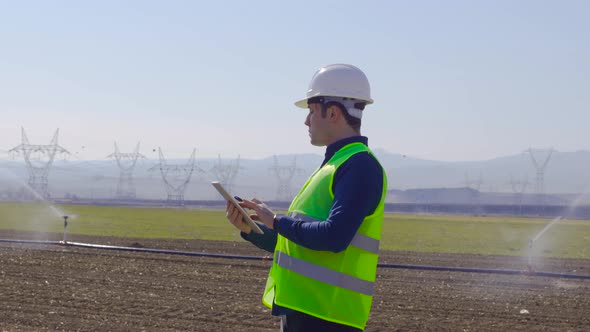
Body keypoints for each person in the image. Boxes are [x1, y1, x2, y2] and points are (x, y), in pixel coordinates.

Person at [225, 63, 388, 331]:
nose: (306, 120)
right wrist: (253, 230)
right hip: (307, 313)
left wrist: (277, 221)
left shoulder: (359, 166)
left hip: (327, 318)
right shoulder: (335, 166)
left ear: (333, 112)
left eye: (312, 111)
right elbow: (301, 246)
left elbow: (334, 237)